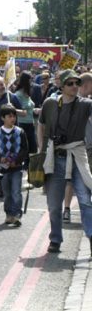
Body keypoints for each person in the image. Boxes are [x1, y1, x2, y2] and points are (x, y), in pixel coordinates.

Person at [38, 70, 92, 255]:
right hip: (56, 158)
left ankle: (91, 237)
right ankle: (55, 239)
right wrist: (40, 151)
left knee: (85, 201)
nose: (75, 86)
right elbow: (41, 125)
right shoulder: (50, 103)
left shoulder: (86, 104)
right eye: (70, 83)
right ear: (61, 86)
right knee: (54, 205)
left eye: (77, 83)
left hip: (77, 156)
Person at [0, 104, 28, 227]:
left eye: (14, 116)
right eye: (9, 116)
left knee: (16, 191)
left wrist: (16, 160)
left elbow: (24, 149)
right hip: (3, 168)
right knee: (7, 193)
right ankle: (9, 214)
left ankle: (17, 214)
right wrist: (0, 158)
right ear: (2, 118)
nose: (13, 119)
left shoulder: (20, 131)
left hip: (17, 167)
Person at [13, 71, 37, 155]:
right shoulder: (17, 95)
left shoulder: (27, 93)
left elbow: (29, 108)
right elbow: (15, 110)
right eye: (30, 80)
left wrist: (36, 110)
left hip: (31, 124)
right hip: (22, 124)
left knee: (33, 149)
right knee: (24, 149)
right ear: (25, 81)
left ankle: (31, 167)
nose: (31, 82)